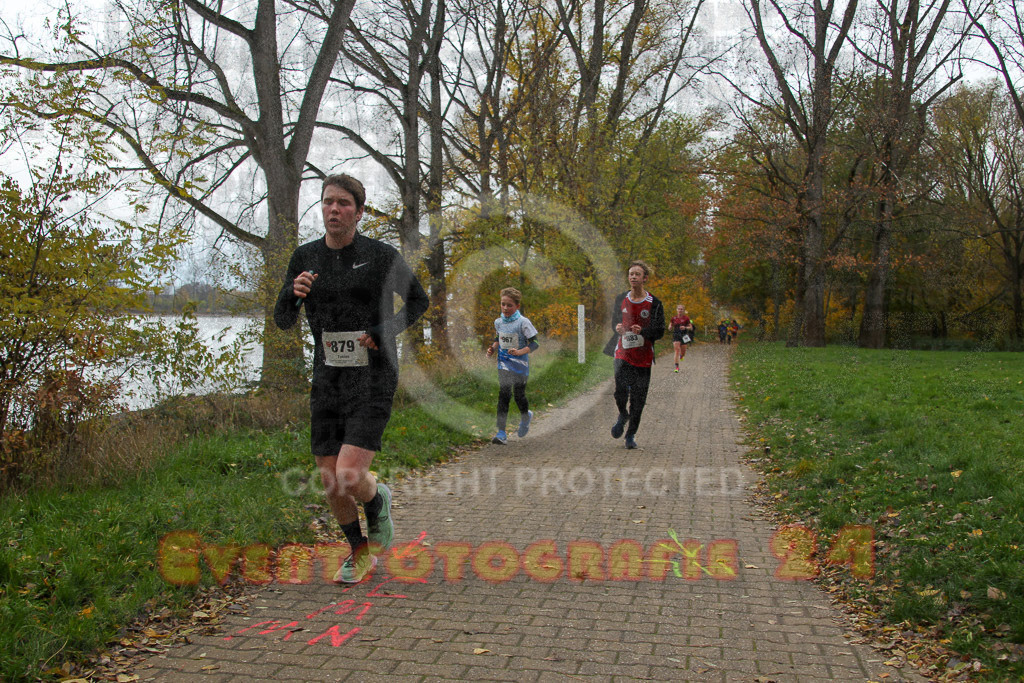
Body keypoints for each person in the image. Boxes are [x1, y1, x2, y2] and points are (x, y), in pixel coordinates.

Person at [274, 173, 429, 584]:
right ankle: (359, 551)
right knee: (330, 478)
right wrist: (291, 293)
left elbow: (418, 301)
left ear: (359, 213)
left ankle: (376, 500)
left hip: (373, 377)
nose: (334, 209)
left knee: (348, 474)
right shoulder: (305, 257)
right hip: (328, 379)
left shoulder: (380, 256)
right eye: (328, 202)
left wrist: (383, 331)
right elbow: (282, 320)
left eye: (343, 203)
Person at [602, 261, 665, 449]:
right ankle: (623, 414)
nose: (633, 277)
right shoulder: (621, 298)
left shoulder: (655, 303)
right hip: (622, 353)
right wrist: (617, 328)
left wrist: (643, 331)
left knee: (638, 399)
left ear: (645, 278)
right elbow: (615, 322)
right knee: (620, 391)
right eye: (631, 274)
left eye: (637, 274)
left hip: (643, 357)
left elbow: (660, 331)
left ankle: (630, 435)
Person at [485, 287, 539, 444]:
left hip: (520, 365)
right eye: (503, 304)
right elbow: (498, 338)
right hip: (503, 364)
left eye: (509, 305)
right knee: (504, 395)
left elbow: (535, 343)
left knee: (519, 396)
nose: (505, 308)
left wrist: (520, 351)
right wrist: (492, 349)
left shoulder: (523, 322)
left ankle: (526, 416)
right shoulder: (498, 322)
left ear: (517, 306)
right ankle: (501, 432)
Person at [670, 304, 695, 373]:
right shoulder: (674, 318)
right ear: (676, 310)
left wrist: (685, 327)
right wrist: (670, 327)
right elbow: (671, 324)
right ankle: (677, 367)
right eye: (679, 309)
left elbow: (691, 328)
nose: (680, 310)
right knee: (677, 350)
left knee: (683, 352)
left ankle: (681, 356)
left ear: (683, 310)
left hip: (684, 335)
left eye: (681, 309)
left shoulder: (686, 318)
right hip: (676, 335)